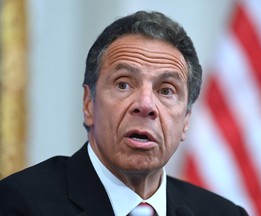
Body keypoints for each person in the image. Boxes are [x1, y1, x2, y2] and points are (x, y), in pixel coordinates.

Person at [0, 11, 248, 216]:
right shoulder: (21, 204)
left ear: (185, 121)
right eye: (123, 84)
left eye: (166, 90)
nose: (146, 104)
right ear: (88, 104)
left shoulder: (223, 213)